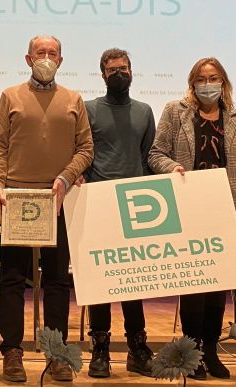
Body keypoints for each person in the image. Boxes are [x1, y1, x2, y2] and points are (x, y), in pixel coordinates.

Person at [0, 35, 93, 383]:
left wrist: (66, 178)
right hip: (17, 199)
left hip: (58, 199)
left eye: (52, 53)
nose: (46, 58)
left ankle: (57, 353)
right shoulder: (10, 96)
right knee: (12, 279)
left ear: (61, 61)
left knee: (57, 281)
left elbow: (86, 148)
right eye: (40, 52)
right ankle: (12, 352)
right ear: (28, 58)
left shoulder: (74, 99)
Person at [149, 57, 236, 381]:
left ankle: (212, 351)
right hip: (188, 208)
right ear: (192, 83)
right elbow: (155, 154)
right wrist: (173, 168)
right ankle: (193, 353)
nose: (207, 84)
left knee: (218, 286)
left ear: (223, 82)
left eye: (213, 78)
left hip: (225, 208)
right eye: (201, 79)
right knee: (194, 285)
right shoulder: (175, 112)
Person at [81, 48, 156, 379]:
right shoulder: (89, 109)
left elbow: (147, 157)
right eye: (112, 70)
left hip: (134, 206)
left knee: (133, 281)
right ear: (102, 75)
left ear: (132, 71)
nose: (119, 74)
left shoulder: (144, 111)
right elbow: (83, 152)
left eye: (123, 69)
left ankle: (137, 348)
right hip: (98, 203)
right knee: (100, 282)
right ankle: (100, 349)